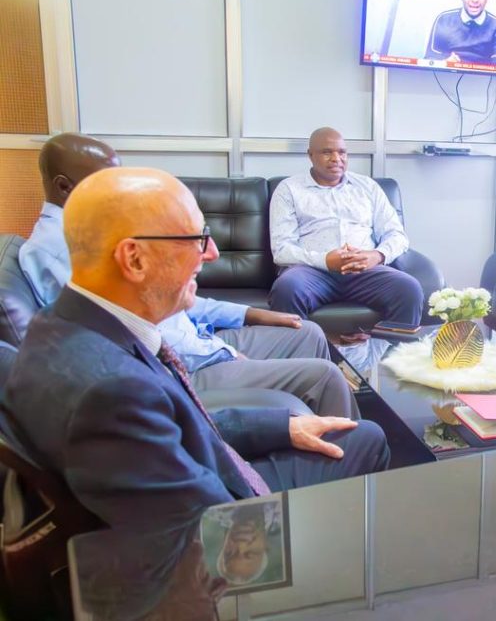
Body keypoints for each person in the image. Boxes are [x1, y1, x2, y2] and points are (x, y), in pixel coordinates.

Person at [0, 167, 390, 529]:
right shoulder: (111, 393)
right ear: (134, 258)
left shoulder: (68, 325)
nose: (212, 253)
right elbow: (208, 530)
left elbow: (175, 425)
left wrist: (280, 427)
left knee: (353, 433)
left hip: (202, 468)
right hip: (226, 517)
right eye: (197, 238)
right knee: (367, 440)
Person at [18, 133, 358, 419]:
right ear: (64, 186)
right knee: (325, 377)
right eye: (106, 182)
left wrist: (250, 313)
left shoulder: (93, 230)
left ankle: (338, 429)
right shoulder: (63, 248)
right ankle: (353, 456)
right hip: (186, 367)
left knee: (308, 332)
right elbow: (138, 338)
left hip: (199, 342)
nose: (120, 191)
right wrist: (224, 353)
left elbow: (169, 297)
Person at [268, 127, 423, 331]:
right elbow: (282, 249)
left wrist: (376, 255)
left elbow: (396, 235)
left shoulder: (367, 187)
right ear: (310, 155)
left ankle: (391, 352)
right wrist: (325, 260)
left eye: (342, 152)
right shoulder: (289, 189)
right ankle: (305, 352)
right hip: (312, 272)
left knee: (409, 288)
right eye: (327, 152)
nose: (336, 158)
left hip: (364, 271)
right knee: (287, 288)